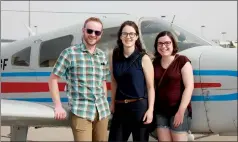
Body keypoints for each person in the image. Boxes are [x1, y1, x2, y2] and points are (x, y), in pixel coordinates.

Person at [48, 17, 110, 141]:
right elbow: (53, 79)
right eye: (90, 31)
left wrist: (105, 101)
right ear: (83, 30)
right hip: (81, 111)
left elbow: (103, 81)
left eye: (97, 32)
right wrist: (58, 106)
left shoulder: (102, 56)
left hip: (102, 111)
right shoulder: (69, 53)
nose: (93, 35)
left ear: (101, 34)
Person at [108, 20, 155, 141]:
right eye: (125, 33)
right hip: (120, 107)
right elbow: (114, 81)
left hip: (139, 107)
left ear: (136, 37)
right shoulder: (114, 55)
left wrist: (150, 110)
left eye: (131, 34)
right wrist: (112, 103)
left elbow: (150, 87)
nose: (128, 37)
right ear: (120, 36)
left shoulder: (144, 58)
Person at [153, 31, 194, 141]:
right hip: (160, 112)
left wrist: (181, 111)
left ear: (173, 44)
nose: (163, 46)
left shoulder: (182, 61)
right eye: (160, 43)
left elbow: (189, 86)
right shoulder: (155, 63)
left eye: (167, 43)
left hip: (178, 110)